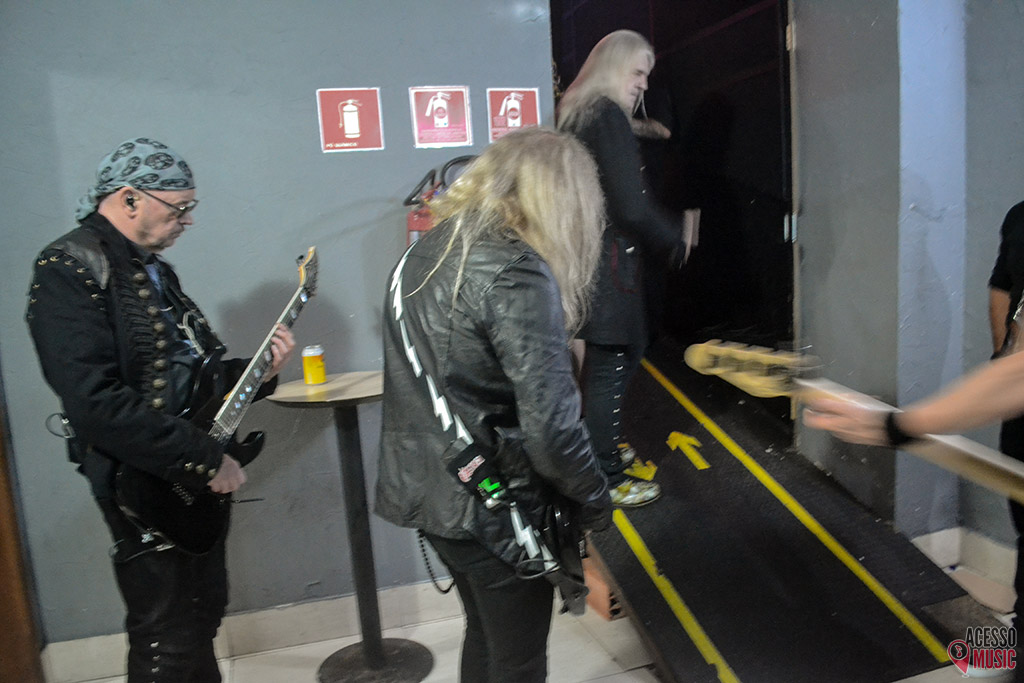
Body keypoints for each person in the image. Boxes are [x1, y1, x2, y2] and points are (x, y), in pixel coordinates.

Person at [26, 138, 295, 683]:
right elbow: (93, 401)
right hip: (140, 478)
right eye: (179, 208)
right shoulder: (68, 266)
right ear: (130, 198)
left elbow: (186, 374)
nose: (188, 220)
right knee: (166, 633)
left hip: (183, 471)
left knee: (200, 614)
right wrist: (205, 458)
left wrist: (257, 373)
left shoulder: (151, 268)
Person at [375, 127, 613, 683]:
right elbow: (553, 430)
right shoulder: (516, 271)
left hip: (432, 492)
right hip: (497, 506)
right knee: (518, 660)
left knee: (485, 636)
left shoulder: (423, 254)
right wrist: (595, 501)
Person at [557, 29, 690, 506]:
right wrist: (674, 236)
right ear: (613, 67)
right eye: (637, 73)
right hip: (610, 263)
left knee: (604, 363)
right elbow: (631, 206)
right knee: (614, 362)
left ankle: (602, 446)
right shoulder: (606, 114)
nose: (643, 85)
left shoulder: (578, 113)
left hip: (585, 256)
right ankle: (607, 475)